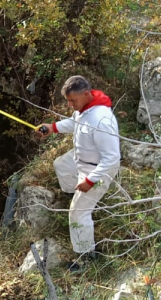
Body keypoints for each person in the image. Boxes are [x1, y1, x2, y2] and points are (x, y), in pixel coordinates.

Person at [37, 76, 121, 272]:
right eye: (68, 100)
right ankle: (74, 195)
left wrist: (90, 181)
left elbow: (112, 158)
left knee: (77, 213)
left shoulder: (101, 120)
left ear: (86, 94)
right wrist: (53, 128)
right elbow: (75, 122)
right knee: (61, 165)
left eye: (72, 100)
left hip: (97, 169)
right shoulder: (85, 108)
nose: (70, 105)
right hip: (82, 159)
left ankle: (87, 257)